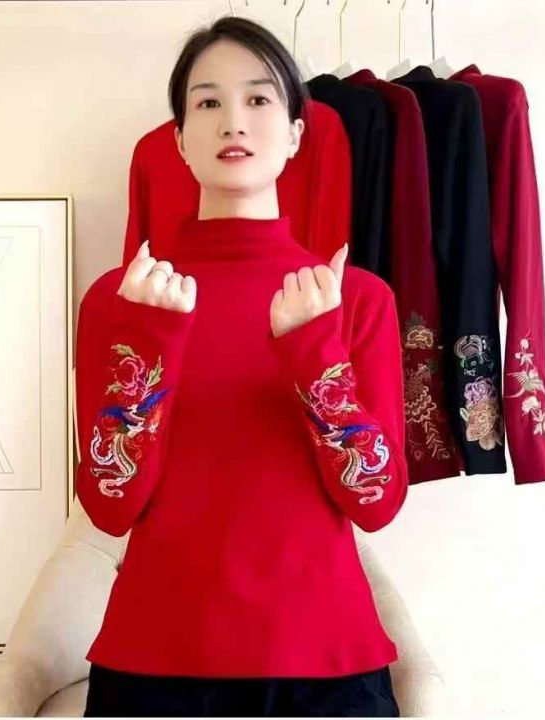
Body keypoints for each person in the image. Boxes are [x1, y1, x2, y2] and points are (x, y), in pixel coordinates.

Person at [76, 14, 407, 718]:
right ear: (178, 138)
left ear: (294, 133)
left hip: (326, 669)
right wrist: (153, 341)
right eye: (207, 102)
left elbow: (376, 501)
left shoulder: (354, 299)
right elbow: (110, 505)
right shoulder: (122, 299)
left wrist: (313, 352)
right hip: (154, 667)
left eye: (258, 99)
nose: (233, 121)